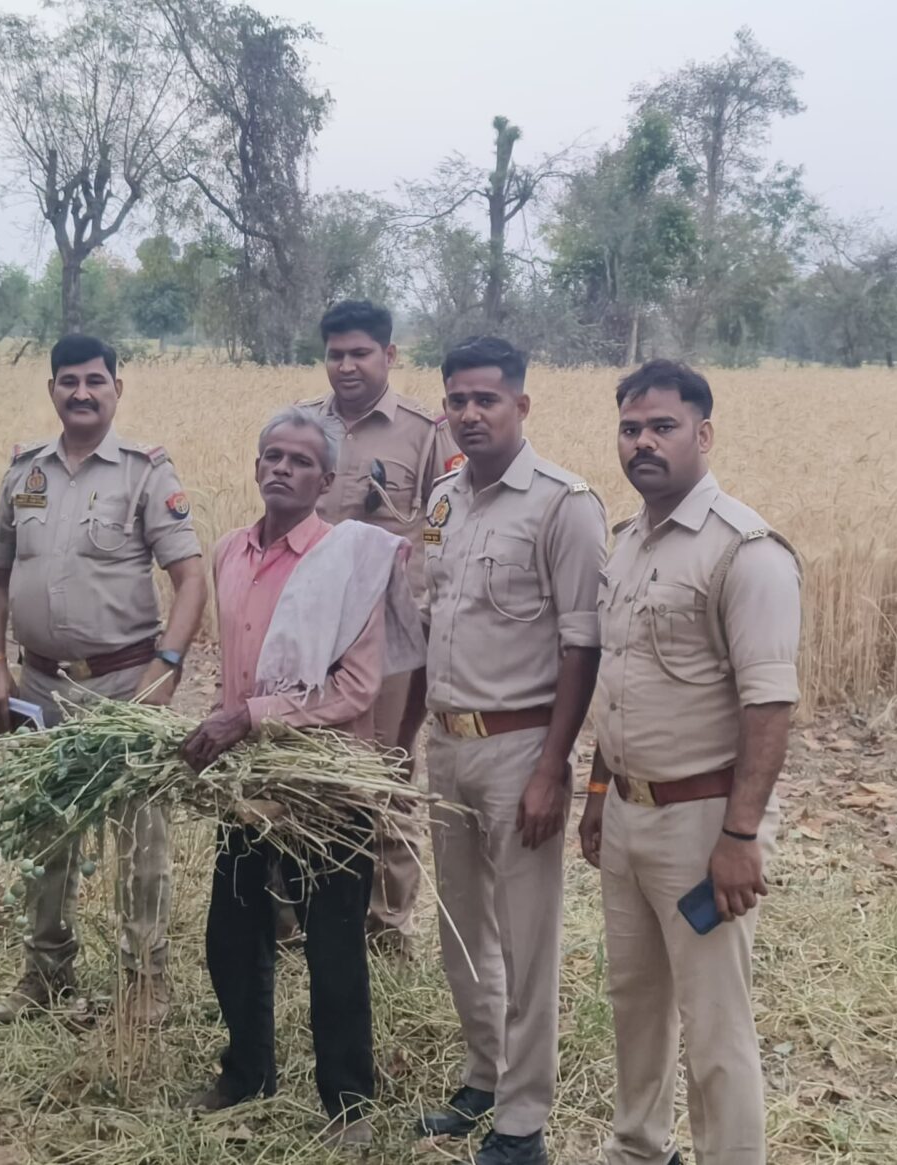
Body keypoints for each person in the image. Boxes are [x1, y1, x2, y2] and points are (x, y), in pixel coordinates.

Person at [579, 360, 801, 1165]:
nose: (643, 442)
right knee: (634, 999)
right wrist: (598, 792)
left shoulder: (746, 552)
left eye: (662, 426)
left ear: (703, 434)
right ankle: (638, 1148)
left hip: (703, 823)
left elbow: (769, 705)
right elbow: (618, 683)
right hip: (628, 811)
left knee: (715, 1024)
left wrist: (739, 836)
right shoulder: (626, 544)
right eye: (630, 428)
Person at [184, 408, 420, 1151]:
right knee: (232, 932)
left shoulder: (351, 561)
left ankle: (348, 1102)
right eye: (272, 456)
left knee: (333, 945)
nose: (282, 468)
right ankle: (247, 1072)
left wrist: (250, 716)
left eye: (300, 460)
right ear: (257, 467)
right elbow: (233, 671)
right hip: (249, 781)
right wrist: (225, 726)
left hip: (325, 785)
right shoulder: (229, 551)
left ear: (326, 480)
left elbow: (357, 687)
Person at [0, 334, 207, 1027]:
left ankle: (144, 983)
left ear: (116, 389)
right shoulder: (25, 472)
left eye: (95, 381)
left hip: (125, 688)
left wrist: (167, 667)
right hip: (40, 688)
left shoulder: (145, 472)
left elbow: (192, 579)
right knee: (46, 835)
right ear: (52, 389)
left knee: (141, 843)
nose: (81, 393)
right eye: (68, 381)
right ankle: (45, 972)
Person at [413, 338, 607, 1165]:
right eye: (457, 399)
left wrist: (552, 768)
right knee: (462, 926)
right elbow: (428, 620)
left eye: (487, 399)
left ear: (521, 406)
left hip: (520, 746)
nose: (470, 413)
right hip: (447, 742)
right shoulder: (443, 499)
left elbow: (582, 644)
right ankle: (482, 1075)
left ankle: (523, 1120)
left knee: (527, 940)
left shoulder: (565, 504)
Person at [295, 299, 457, 953]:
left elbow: (448, 530)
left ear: (389, 355)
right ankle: (308, 916)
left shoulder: (425, 433)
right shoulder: (304, 426)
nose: (346, 365)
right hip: (313, 633)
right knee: (306, 769)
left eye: (360, 353)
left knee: (387, 774)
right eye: (335, 354)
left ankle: (388, 926)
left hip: (392, 634)